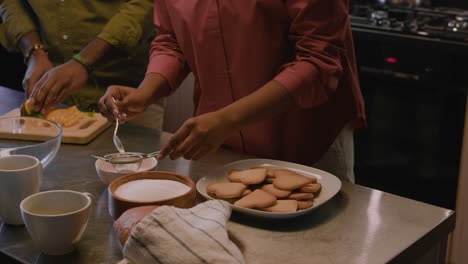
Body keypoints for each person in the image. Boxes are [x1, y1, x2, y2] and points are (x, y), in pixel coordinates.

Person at [99, 0, 366, 182]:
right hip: (222, 143)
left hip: (307, 137)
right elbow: (171, 39)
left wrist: (227, 119)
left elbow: (318, 61)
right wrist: (146, 92)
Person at [0, 0, 164, 129]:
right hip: (51, 100)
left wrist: (83, 62)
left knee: (132, 170)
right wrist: (34, 51)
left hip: (127, 99)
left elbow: (147, 5)